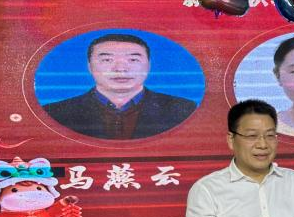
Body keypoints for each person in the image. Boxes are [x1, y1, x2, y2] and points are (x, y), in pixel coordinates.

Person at [43, 33, 197, 139]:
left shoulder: (183, 109)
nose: (121, 69)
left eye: (133, 60)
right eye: (107, 60)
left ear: (148, 65)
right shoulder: (55, 113)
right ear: (89, 66)